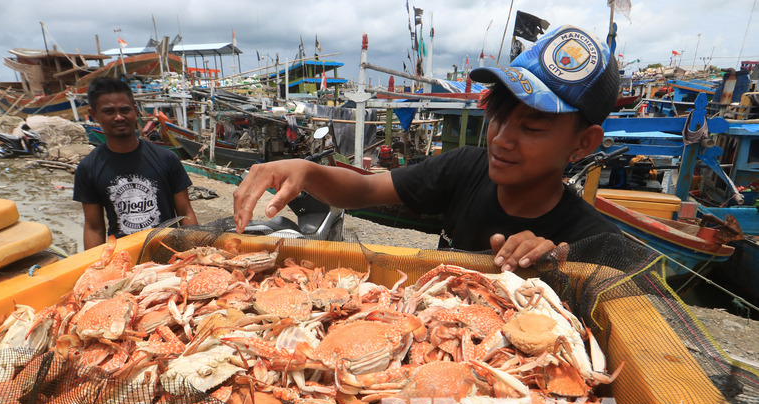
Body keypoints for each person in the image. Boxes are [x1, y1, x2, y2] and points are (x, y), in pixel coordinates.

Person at [233, 25, 621, 272]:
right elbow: (366, 189)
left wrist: (553, 268)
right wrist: (306, 170)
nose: (502, 138)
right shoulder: (465, 169)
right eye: (499, 116)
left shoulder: (594, 244)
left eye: (532, 126)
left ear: (583, 143)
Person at [73, 77, 199, 250]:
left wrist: (195, 253)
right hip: (122, 257)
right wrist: (92, 268)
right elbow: (94, 228)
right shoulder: (87, 168)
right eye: (109, 111)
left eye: (125, 110)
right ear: (94, 114)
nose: (118, 117)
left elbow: (185, 213)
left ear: (135, 110)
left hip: (169, 254)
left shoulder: (166, 158)